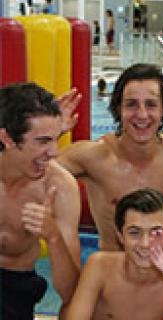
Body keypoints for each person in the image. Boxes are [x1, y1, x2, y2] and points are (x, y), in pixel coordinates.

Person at [57, 64, 163, 250]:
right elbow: (35, 172)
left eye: (151, 105)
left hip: (160, 271)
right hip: (113, 272)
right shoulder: (92, 157)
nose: (142, 115)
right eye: (131, 104)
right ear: (118, 109)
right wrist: (53, 134)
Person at [0, 83, 81, 319]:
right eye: (43, 141)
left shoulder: (59, 188)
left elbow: (70, 293)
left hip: (15, 292)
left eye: (56, 139)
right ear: (6, 138)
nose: (55, 152)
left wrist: (53, 236)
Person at [66, 188, 163, 320]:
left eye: (156, 233)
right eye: (134, 233)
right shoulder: (99, 266)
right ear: (120, 236)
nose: (145, 244)